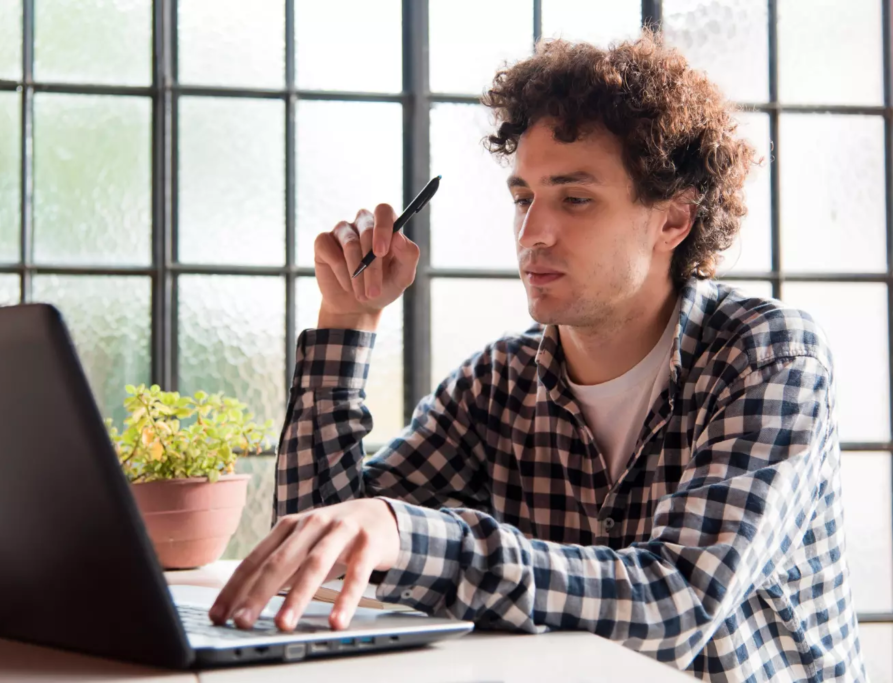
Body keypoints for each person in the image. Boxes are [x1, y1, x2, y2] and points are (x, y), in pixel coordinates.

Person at [210, 32, 865, 681]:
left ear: (673, 221)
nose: (531, 235)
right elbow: (312, 554)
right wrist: (347, 322)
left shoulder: (766, 355)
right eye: (523, 198)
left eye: (575, 199)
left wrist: (409, 535)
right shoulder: (499, 384)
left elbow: (675, 605)